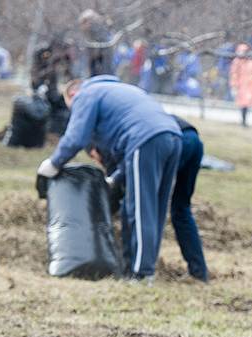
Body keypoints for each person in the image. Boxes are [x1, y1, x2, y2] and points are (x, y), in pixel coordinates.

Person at [37, 77, 182, 280]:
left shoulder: (86, 94)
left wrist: (54, 163)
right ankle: (141, 268)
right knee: (154, 209)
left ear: (72, 95)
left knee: (139, 209)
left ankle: (141, 274)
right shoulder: (119, 90)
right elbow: (127, 158)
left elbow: (76, 136)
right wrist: (115, 178)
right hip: (173, 137)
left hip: (144, 138)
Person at [94, 115, 209, 282]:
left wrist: (103, 212)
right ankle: (199, 272)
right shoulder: (131, 120)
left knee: (135, 204)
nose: (96, 160)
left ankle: (131, 269)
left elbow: (122, 184)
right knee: (181, 209)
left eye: (93, 155)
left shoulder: (111, 143)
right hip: (192, 140)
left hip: (169, 141)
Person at [229, 43, 252, 127]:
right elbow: (234, 74)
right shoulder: (236, 62)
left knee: (247, 104)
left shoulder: (251, 62)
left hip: (250, 87)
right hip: (241, 86)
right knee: (243, 104)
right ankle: (243, 121)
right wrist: (234, 86)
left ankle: (244, 121)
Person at [78, 9, 115, 77]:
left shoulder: (97, 28)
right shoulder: (88, 31)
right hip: (93, 53)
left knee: (105, 70)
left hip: (102, 52)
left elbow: (104, 39)